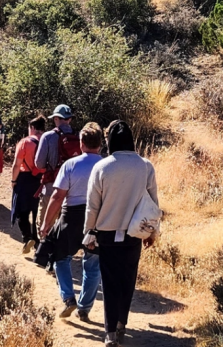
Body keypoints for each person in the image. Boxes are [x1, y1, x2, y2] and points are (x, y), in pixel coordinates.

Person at [85, 121, 159, 346]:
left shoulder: (102, 167)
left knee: (109, 283)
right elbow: (153, 204)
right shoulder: (145, 166)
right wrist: (153, 233)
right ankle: (121, 325)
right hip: (134, 234)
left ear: (110, 141)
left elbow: (92, 206)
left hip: (106, 234)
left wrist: (89, 233)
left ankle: (109, 333)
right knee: (128, 280)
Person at [36, 122, 105, 322]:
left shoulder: (71, 164)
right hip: (98, 219)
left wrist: (46, 223)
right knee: (92, 264)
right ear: (100, 144)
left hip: (71, 216)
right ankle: (84, 308)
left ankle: (68, 297)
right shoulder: (106, 165)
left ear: (81, 143)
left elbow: (57, 196)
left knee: (60, 259)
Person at [35, 104, 80, 236]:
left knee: (45, 225)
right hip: (74, 190)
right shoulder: (80, 136)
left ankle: (43, 252)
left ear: (56, 118)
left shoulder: (48, 136)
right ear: (69, 119)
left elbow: (39, 164)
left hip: (52, 187)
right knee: (64, 229)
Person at [11, 115, 47, 254]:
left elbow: (16, 165)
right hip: (42, 179)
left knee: (22, 211)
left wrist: (13, 181)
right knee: (37, 210)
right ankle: (37, 240)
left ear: (32, 128)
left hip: (25, 178)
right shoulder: (48, 140)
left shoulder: (25, 142)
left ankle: (27, 238)